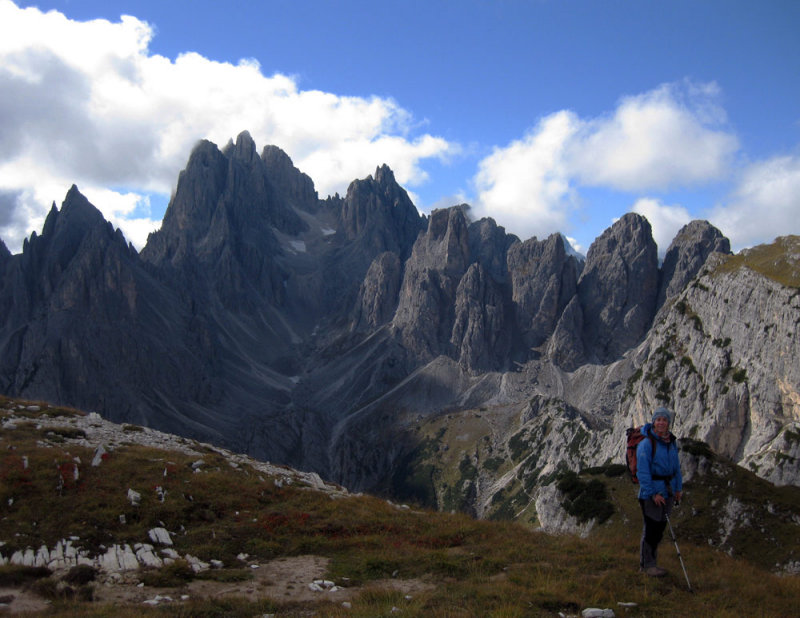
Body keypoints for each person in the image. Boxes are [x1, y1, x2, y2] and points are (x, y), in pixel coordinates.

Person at [637, 406, 683, 577]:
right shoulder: (646, 444)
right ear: (653, 422)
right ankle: (646, 566)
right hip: (652, 495)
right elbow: (643, 472)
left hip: (668, 491)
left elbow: (676, 468)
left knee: (660, 529)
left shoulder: (670, 443)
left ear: (668, 423)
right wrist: (652, 493)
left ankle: (652, 564)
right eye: (658, 420)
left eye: (664, 420)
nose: (661, 423)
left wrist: (678, 489)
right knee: (651, 529)